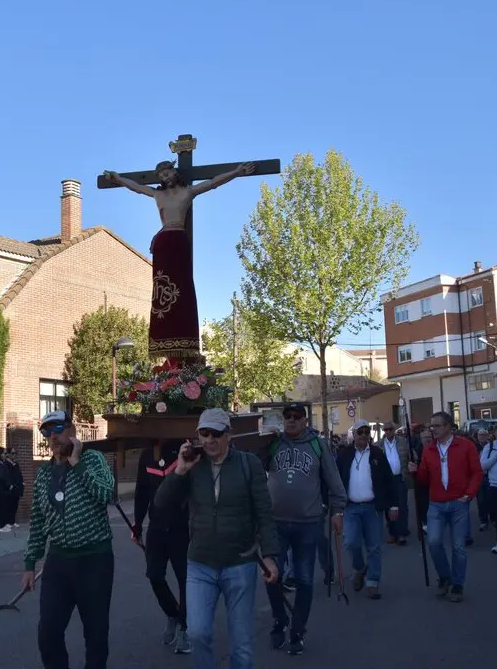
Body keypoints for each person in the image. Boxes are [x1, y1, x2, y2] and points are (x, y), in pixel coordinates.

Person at [155, 408, 279, 669]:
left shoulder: (249, 464)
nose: (209, 440)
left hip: (241, 563)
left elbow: (264, 513)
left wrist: (269, 555)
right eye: (204, 433)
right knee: (198, 633)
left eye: (216, 434)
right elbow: (160, 505)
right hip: (200, 563)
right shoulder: (192, 466)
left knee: (242, 645)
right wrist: (179, 471)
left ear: (229, 435)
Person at [104, 162, 255, 358]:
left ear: (174, 172)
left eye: (167, 173)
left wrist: (236, 172)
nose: (165, 178)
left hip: (179, 240)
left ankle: (183, 333)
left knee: (182, 286)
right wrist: (118, 179)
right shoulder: (158, 195)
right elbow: (137, 188)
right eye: (162, 176)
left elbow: (212, 183)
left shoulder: (188, 192)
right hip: (164, 242)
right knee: (162, 287)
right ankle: (165, 336)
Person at [22, 411, 115, 669]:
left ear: (72, 430)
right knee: (48, 633)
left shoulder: (93, 460)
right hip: (59, 560)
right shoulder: (44, 474)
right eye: (47, 432)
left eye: (58, 429)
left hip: (95, 559)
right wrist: (30, 563)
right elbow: (38, 521)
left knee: (95, 634)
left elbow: (106, 494)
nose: (53, 436)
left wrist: (77, 462)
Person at [259, 402, 344, 655]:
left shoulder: (318, 445)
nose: (291, 421)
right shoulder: (273, 443)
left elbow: (334, 481)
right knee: (271, 574)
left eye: (297, 417)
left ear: (305, 420)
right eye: (287, 417)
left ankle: (297, 628)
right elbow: (253, 463)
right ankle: (279, 619)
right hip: (276, 522)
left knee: (305, 580)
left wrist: (338, 510)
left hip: (308, 523)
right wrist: (264, 440)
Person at [409, 412, 481, 602]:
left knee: (459, 547)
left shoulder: (465, 446)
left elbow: (476, 472)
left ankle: (457, 584)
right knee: (433, 542)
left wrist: (469, 494)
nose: (433, 429)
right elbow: (424, 479)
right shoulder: (429, 450)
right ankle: (445, 576)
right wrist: (416, 471)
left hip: (459, 503)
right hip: (436, 503)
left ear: (448, 426)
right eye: (431, 426)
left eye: (437, 426)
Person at [132, 439, 191, 654]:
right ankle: (173, 613)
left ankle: (186, 627)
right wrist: (137, 525)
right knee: (154, 575)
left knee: (185, 579)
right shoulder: (147, 455)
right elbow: (142, 491)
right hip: (156, 527)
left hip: (182, 527)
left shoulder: (186, 451)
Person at [335, 421, 397, 599]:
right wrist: (334, 506)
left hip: (372, 507)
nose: (363, 435)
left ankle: (372, 582)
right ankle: (359, 568)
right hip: (351, 506)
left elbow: (388, 480)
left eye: (366, 431)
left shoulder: (377, 453)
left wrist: (393, 505)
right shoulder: (344, 454)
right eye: (359, 432)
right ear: (353, 434)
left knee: (374, 546)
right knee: (351, 542)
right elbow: (336, 479)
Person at [380, 422, 411, 546]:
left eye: (390, 429)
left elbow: (411, 455)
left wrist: (411, 465)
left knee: (402, 506)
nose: (388, 431)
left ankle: (402, 533)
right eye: (385, 429)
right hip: (387, 480)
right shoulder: (379, 445)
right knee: (389, 507)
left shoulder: (403, 442)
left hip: (400, 477)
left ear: (394, 429)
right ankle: (393, 533)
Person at [4, 449, 25, 529]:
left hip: (17, 487)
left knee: (15, 505)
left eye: (15, 453)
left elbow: (19, 474)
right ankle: (8, 521)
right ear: (8, 454)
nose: (14, 455)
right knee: (9, 505)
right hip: (11, 487)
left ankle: (12, 521)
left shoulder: (16, 464)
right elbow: (7, 476)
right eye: (12, 453)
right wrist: (10, 485)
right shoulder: (6, 464)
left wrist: (22, 482)